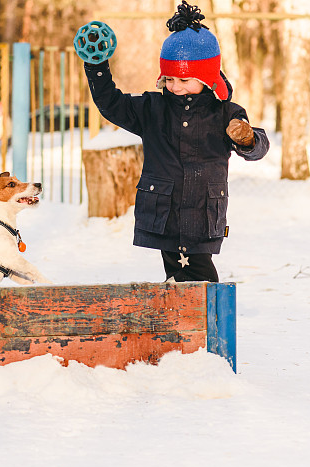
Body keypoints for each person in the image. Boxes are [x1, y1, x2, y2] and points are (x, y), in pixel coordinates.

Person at [80, 1, 269, 282]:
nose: (175, 86)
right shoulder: (152, 109)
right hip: (164, 213)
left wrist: (248, 139)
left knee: (200, 280)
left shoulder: (225, 113)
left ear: (206, 78)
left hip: (203, 215)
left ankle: (204, 323)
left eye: (184, 79)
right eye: (168, 79)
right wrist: (97, 66)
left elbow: (258, 149)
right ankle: (188, 323)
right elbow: (112, 104)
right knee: (181, 280)